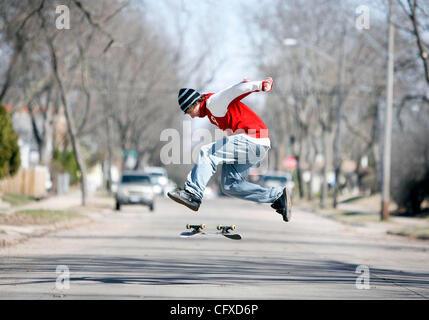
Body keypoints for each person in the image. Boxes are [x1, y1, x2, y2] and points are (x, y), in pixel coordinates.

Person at [167, 77, 292, 222]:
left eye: (190, 111)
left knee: (207, 152)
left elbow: (234, 92)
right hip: (256, 146)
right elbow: (237, 89)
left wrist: (261, 85)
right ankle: (277, 196)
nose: (192, 116)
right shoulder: (211, 112)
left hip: (254, 139)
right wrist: (243, 83)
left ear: (195, 102)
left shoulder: (213, 102)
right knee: (230, 185)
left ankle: (192, 194)